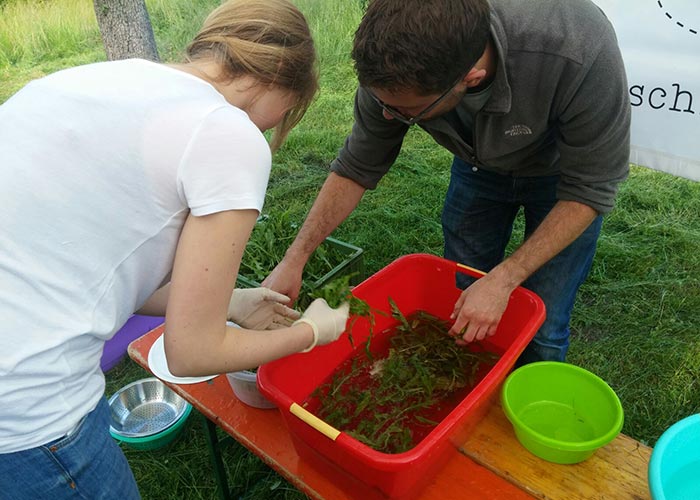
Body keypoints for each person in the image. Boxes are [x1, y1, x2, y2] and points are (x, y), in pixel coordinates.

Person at [0, 0, 349, 498]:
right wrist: (313, 333)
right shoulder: (227, 132)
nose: (274, 127)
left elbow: (94, 275)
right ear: (281, 84)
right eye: (288, 112)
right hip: (25, 409)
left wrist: (229, 303)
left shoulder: (87, 80)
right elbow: (192, 353)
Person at [263, 0, 630, 365]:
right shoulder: (392, 70)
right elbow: (357, 166)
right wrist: (295, 259)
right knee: (465, 294)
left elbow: (590, 188)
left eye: (407, 112)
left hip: (562, 177)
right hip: (476, 167)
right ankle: (472, 386)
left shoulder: (578, 47)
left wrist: (505, 280)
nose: (389, 115)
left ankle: (531, 390)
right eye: (382, 102)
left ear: (472, 77)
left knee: (545, 319)